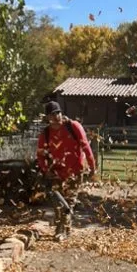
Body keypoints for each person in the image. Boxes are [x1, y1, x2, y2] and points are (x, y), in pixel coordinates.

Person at [36, 100, 96, 238]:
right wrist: (46, 170)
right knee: (58, 202)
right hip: (56, 172)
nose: (56, 116)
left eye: (58, 113)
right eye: (52, 114)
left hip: (75, 171)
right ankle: (61, 228)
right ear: (47, 117)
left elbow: (86, 147)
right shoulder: (45, 134)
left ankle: (63, 231)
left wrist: (92, 167)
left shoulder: (73, 126)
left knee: (68, 202)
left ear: (61, 113)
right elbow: (40, 155)